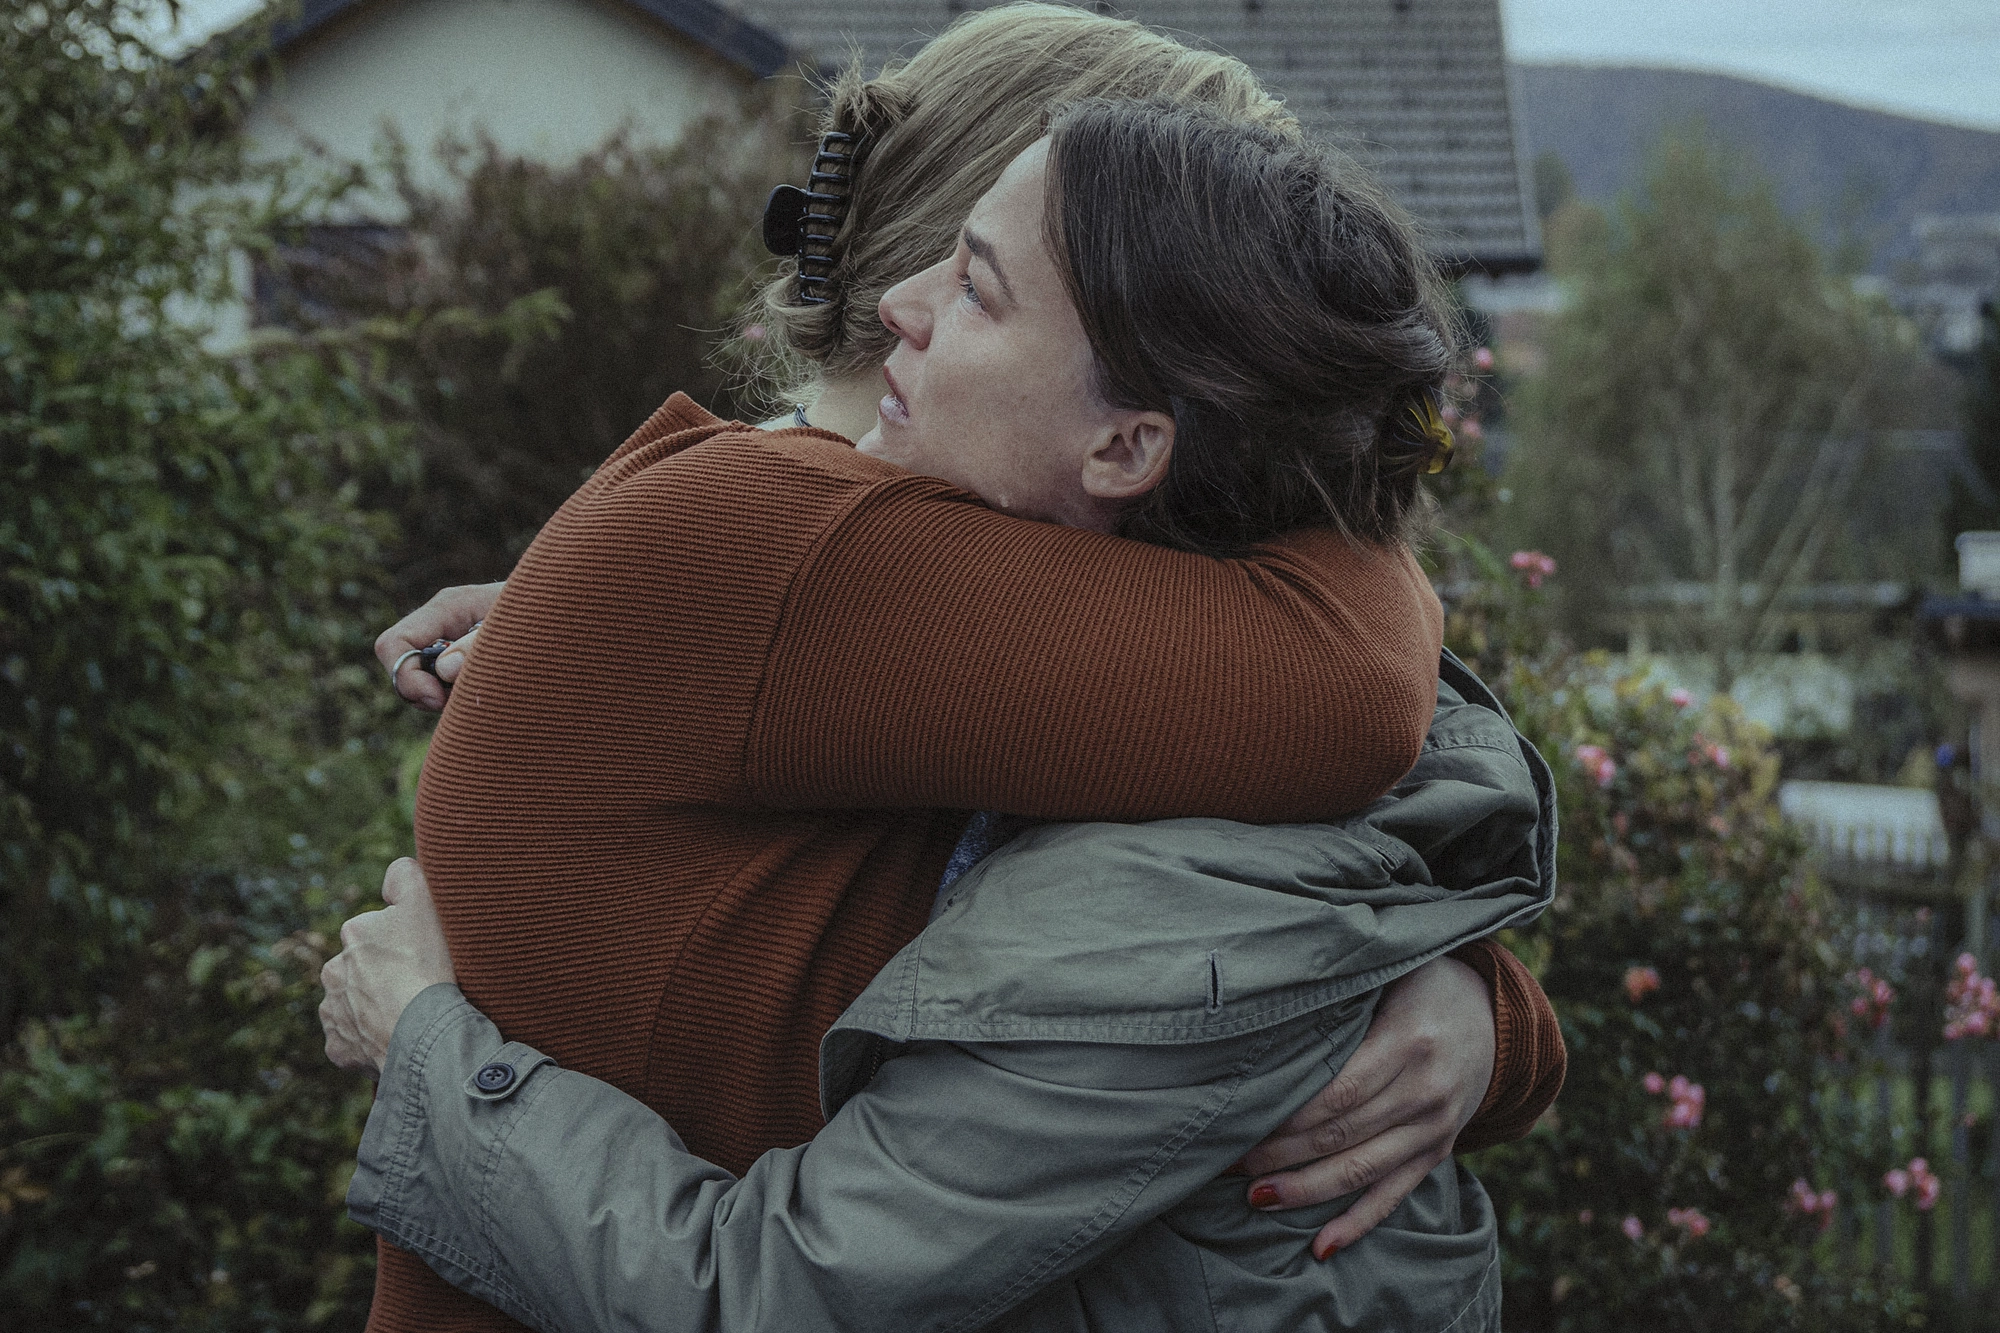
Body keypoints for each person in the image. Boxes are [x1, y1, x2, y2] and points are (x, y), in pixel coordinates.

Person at [327, 98, 1558, 1331]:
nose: (898, 307)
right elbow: (1349, 689)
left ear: (1132, 446)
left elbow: (1304, 817)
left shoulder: (1016, 663)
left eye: (977, 285)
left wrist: (1471, 1015)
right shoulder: (788, 554)